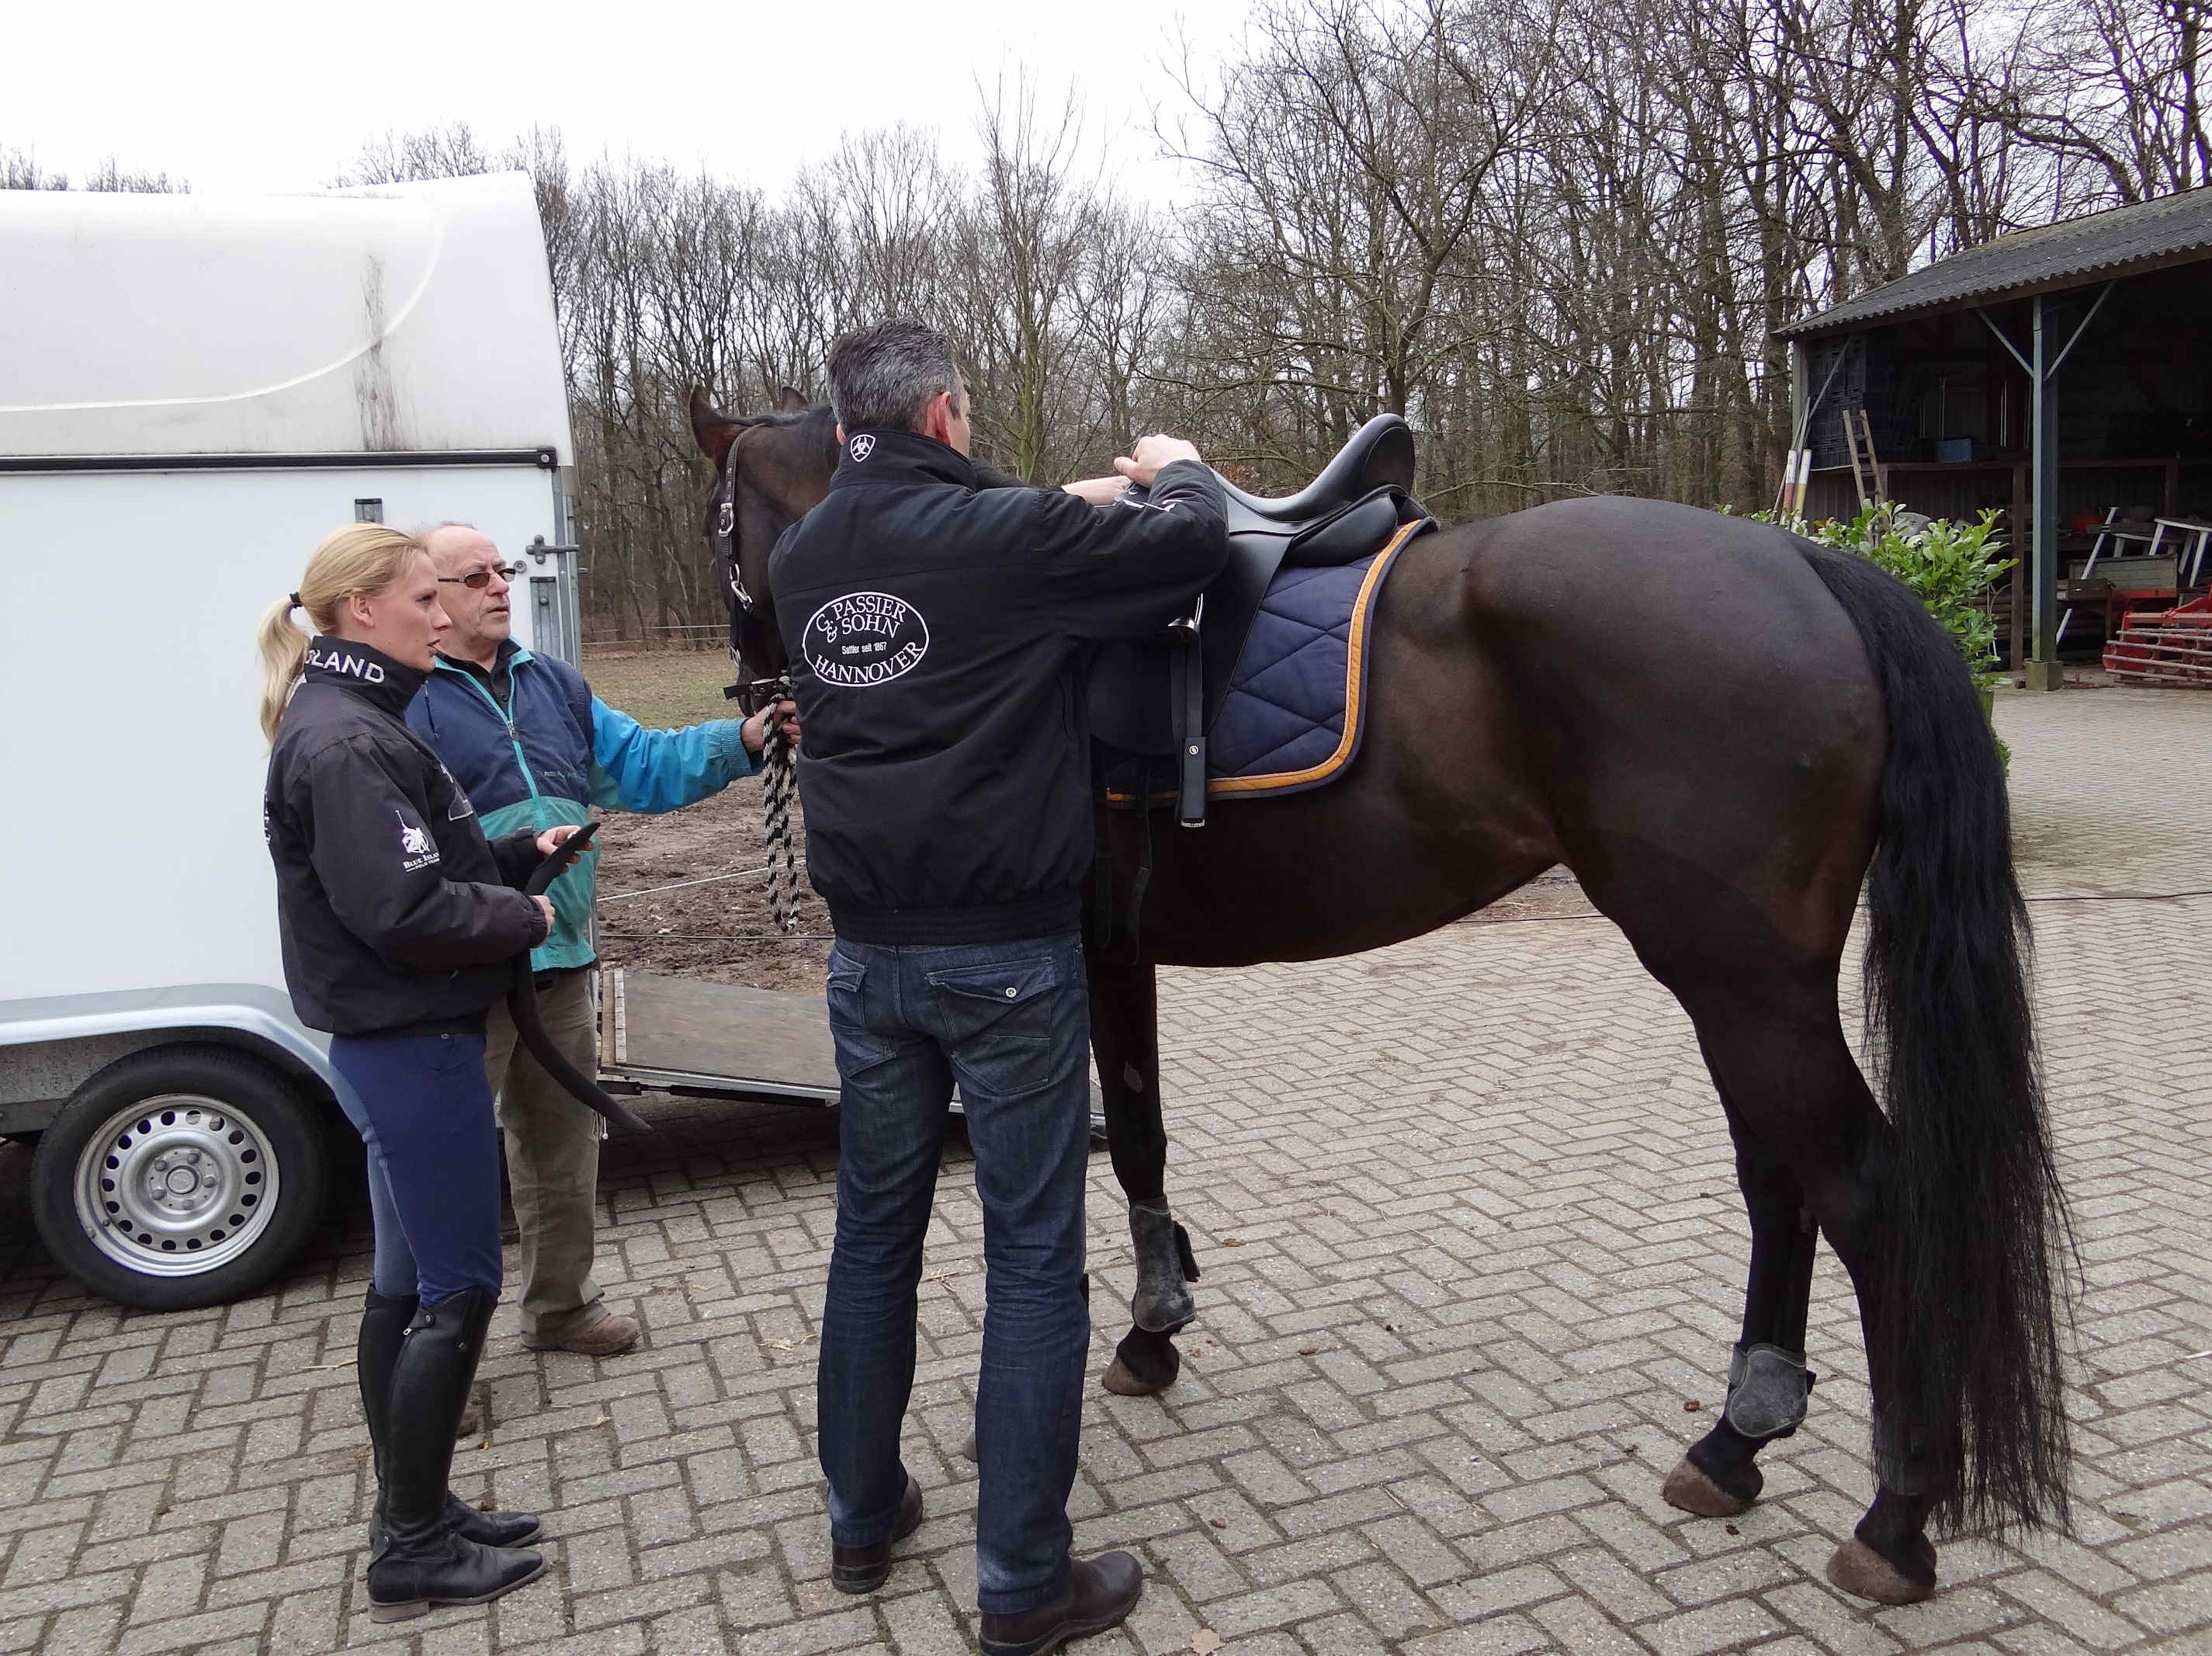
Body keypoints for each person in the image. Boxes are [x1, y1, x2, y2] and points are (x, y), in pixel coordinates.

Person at [774, 318, 1227, 1655]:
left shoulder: (807, 554)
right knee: (1034, 1256)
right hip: (1009, 955)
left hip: (869, 954)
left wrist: (1048, 503)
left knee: (874, 1233)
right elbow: (1186, 546)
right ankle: (1025, 1582)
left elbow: (945, 553)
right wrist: (1175, 462)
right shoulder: (1007, 542)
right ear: (944, 414)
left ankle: (864, 1519)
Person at [257, 524, 581, 1622]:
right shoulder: (347, 742)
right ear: (361, 611)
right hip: (412, 1042)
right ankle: (408, 1546)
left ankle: (426, 1506)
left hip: (400, 1036)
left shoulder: (356, 722)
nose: (443, 616)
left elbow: (407, 872)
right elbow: (399, 913)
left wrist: (504, 858)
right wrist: (518, 910)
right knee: (458, 1285)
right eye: (422, 600)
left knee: (405, 1284)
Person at [405, 524, 799, 1361]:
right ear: (428, 597)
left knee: (560, 1148)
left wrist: (746, 740)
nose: (499, 586)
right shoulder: (407, 699)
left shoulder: (553, 686)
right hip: (455, 977)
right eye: (474, 577)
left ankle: (560, 1309)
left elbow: (643, 766)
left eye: (502, 570)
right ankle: (437, 1359)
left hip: (558, 962)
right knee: (441, 1171)